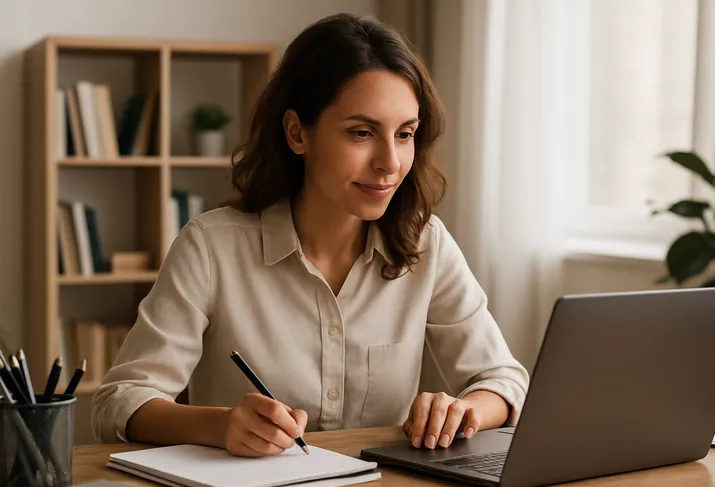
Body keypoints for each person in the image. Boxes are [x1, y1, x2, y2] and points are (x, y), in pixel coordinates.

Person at [91, 13, 529, 457]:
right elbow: (120, 400)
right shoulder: (211, 247)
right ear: (298, 133)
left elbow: (504, 380)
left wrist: (463, 410)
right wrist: (220, 424)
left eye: (405, 134)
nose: (390, 162)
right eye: (362, 133)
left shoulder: (425, 243)